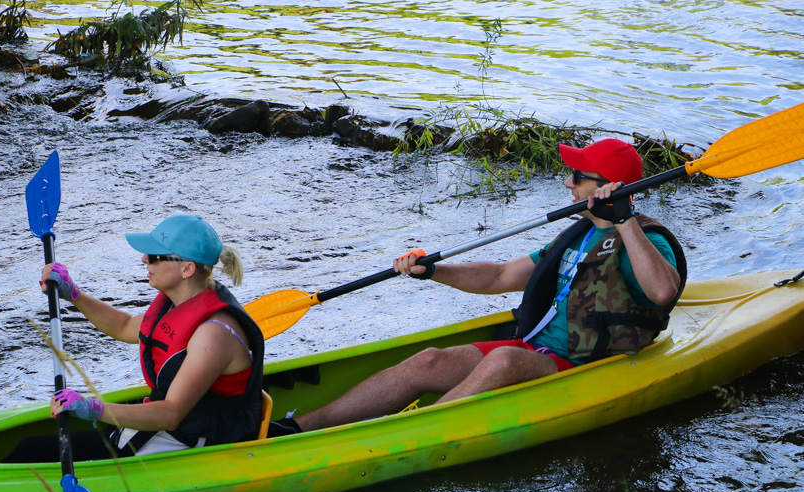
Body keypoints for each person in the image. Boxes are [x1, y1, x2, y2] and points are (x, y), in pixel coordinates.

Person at [270, 138, 687, 436]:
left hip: (587, 362)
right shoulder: (576, 235)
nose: (567, 184)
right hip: (539, 349)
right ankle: (292, 429)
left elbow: (664, 292)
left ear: (606, 186)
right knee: (427, 362)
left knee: (503, 359)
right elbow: (501, 277)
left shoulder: (647, 239)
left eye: (577, 176)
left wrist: (624, 219)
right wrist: (435, 271)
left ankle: (404, 435)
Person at [7, 215, 264, 461]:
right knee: (27, 449)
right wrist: (74, 294)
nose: (144, 259)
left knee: (31, 453)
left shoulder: (214, 334)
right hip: (175, 428)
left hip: (200, 441)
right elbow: (124, 325)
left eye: (153, 257)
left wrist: (94, 407)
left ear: (187, 268)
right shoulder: (177, 303)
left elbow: (171, 412)